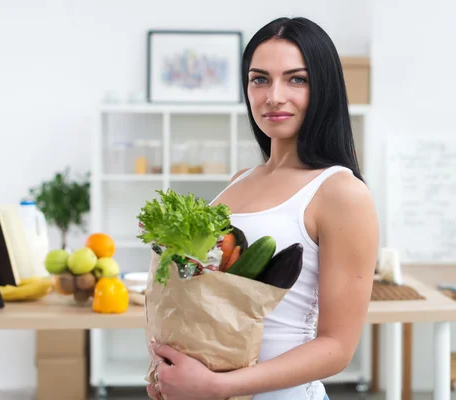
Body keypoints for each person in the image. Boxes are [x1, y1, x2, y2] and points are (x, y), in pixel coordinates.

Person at [147, 16, 379, 400]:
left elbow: (337, 348)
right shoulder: (240, 180)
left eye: (296, 79)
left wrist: (218, 385)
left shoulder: (340, 192)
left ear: (323, 88)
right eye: (260, 79)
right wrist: (168, 374)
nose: (274, 96)